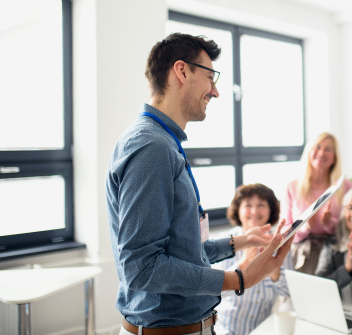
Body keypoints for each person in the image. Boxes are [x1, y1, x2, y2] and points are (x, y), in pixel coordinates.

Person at [106, 33, 293, 333]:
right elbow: (142, 269)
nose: (215, 91)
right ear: (182, 71)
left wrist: (240, 242)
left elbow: (180, 250)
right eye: (210, 77)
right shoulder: (150, 147)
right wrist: (240, 278)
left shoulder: (162, 142)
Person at [213, 184, 294, 335]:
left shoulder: (280, 243)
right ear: (238, 210)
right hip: (225, 330)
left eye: (261, 205)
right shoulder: (225, 242)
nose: (255, 211)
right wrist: (246, 260)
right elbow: (214, 292)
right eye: (248, 205)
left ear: (271, 210)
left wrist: (273, 264)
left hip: (264, 329)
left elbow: (288, 292)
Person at [281, 132, 352, 274]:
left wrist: (328, 224)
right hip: (301, 257)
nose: (321, 153)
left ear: (335, 157)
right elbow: (284, 232)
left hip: (334, 254)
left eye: (328, 149)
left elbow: (349, 228)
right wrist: (305, 227)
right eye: (317, 147)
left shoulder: (345, 186)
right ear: (309, 152)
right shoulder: (292, 187)